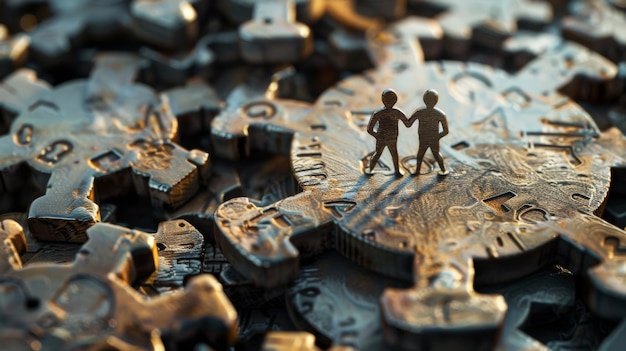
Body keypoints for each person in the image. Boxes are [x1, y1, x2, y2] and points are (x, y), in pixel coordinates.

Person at [367, 89, 410, 176]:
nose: (389, 102)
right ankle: (396, 171)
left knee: (380, 153)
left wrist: (377, 136)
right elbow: (408, 123)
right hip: (389, 137)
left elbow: (370, 129)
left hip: (385, 137)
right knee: (391, 154)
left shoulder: (379, 113)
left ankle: (371, 169)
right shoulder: (396, 113)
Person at [408, 89, 449, 175]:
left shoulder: (420, 112)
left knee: (421, 154)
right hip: (432, 139)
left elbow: (408, 123)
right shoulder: (440, 114)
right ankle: (443, 170)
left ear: (424, 99)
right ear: (436, 101)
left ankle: (418, 170)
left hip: (424, 138)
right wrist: (436, 137)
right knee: (435, 154)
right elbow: (445, 131)